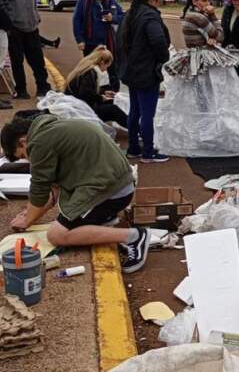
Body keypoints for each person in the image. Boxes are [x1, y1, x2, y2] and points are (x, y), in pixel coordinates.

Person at [0, 114, 149, 273]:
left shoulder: (39, 142)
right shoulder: (51, 129)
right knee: (65, 216)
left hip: (111, 192)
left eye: (23, 155)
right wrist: (30, 215)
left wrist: (27, 220)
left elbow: (39, 189)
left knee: (56, 235)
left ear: (23, 141)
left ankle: (134, 236)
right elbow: (54, 192)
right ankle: (104, 218)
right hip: (116, 186)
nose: (29, 160)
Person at [117, 0, 171, 163]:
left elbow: (119, 40)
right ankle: (148, 151)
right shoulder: (150, 15)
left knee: (135, 110)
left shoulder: (130, 14)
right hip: (146, 70)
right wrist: (163, 57)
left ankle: (134, 148)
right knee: (148, 112)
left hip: (131, 69)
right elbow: (158, 40)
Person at [0, 0, 50, 100]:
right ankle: (21, 90)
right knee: (17, 61)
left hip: (32, 28)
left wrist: (36, 16)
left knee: (38, 60)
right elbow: (2, 6)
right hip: (14, 29)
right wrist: (9, 24)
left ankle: (43, 87)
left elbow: (33, 2)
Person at [72, 0, 125, 89]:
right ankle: (92, 92)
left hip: (108, 42)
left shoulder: (110, 0)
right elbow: (77, 21)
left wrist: (113, 18)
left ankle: (113, 92)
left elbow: (123, 17)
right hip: (90, 43)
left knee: (111, 70)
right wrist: (80, 40)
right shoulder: (84, 1)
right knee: (91, 71)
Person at [65, 46, 129, 128]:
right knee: (113, 109)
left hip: (76, 104)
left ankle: (133, 127)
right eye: (106, 66)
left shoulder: (86, 68)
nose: (105, 70)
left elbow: (87, 90)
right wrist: (101, 98)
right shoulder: (90, 73)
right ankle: (136, 129)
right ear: (102, 62)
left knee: (111, 103)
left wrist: (103, 92)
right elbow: (85, 94)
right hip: (81, 108)